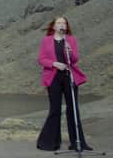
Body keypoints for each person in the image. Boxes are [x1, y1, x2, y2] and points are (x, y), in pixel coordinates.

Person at [36, 16, 92, 151]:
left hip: (69, 76)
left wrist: (70, 51)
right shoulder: (46, 40)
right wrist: (54, 64)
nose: (62, 25)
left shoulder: (71, 40)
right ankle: (50, 143)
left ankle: (78, 143)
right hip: (53, 77)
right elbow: (41, 59)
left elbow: (75, 60)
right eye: (59, 23)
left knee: (72, 108)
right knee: (55, 109)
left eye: (64, 23)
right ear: (54, 26)